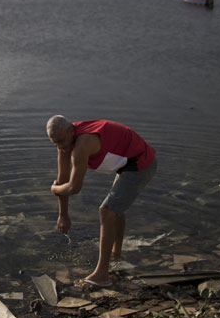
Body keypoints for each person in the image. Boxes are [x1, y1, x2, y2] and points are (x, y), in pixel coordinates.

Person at [47, 115, 156, 288]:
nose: (60, 147)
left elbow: (74, 187)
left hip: (141, 163)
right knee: (115, 209)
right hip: (126, 163)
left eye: (61, 141)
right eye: (55, 143)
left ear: (70, 130)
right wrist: (63, 215)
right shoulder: (65, 142)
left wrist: (54, 190)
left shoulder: (82, 144)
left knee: (107, 211)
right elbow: (62, 180)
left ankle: (102, 275)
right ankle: (116, 256)